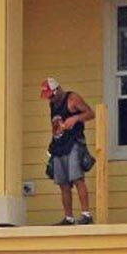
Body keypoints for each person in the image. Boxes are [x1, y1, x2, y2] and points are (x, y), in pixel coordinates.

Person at [40, 76, 95, 224]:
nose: (50, 99)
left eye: (51, 95)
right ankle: (68, 217)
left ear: (57, 90)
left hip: (74, 142)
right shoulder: (52, 105)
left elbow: (90, 113)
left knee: (77, 178)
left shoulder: (72, 99)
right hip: (59, 145)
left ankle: (86, 214)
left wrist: (75, 118)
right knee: (63, 183)